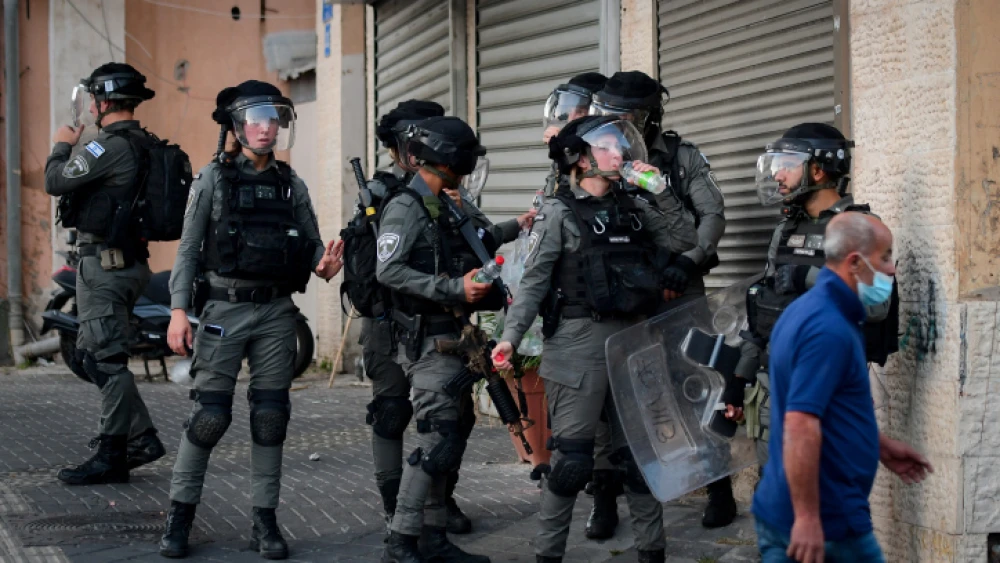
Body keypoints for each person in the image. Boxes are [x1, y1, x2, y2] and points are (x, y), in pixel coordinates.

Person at [492, 115, 698, 563]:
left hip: (636, 342)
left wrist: (661, 191)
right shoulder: (559, 212)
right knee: (571, 463)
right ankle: (548, 555)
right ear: (579, 159)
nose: (619, 153)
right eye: (607, 146)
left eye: (621, 145)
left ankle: (652, 552)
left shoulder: (636, 206)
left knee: (641, 460)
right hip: (578, 346)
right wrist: (510, 337)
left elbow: (686, 239)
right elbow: (533, 282)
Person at [158, 80, 343, 560]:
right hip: (224, 309)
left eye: (273, 117)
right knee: (209, 418)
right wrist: (179, 311)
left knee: (269, 418)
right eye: (255, 118)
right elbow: (188, 248)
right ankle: (179, 518)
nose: (266, 127)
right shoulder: (213, 179)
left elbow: (313, 244)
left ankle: (265, 521)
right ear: (237, 127)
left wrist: (325, 265)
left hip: (278, 313)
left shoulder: (291, 183)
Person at [587, 70, 733, 531]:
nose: (610, 128)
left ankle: (719, 488)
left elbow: (712, 213)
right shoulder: (595, 155)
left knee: (697, 383)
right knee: (612, 395)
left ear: (644, 118)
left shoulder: (682, 157)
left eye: (621, 119)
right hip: (622, 293)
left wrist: (690, 261)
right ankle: (605, 500)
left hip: (676, 287)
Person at [752, 212, 932, 563]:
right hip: (829, 521)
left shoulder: (808, 310)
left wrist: (875, 444)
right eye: (884, 257)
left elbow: (820, 408)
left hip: (795, 512)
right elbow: (801, 424)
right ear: (854, 263)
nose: (892, 269)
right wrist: (807, 518)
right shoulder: (828, 327)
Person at [377, 115, 515, 563]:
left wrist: (520, 224)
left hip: (457, 338)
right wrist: (454, 289)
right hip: (428, 341)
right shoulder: (406, 206)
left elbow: (476, 239)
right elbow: (389, 270)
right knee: (436, 440)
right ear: (450, 159)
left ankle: (434, 539)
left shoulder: (444, 203)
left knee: (452, 436)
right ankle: (400, 541)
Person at [729, 123, 900, 472]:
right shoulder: (786, 229)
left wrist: (809, 277)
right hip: (774, 388)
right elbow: (765, 306)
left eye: (788, 164)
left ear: (818, 170)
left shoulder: (863, 227)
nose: (778, 173)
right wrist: (739, 378)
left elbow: (877, 304)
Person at [357, 99, 481, 536]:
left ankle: (436, 506)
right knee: (397, 415)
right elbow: (383, 269)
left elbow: (471, 240)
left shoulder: (442, 193)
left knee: (452, 419)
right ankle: (401, 514)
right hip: (392, 322)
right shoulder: (395, 196)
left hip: (439, 326)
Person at [44, 63, 166, 486]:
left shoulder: (107, 147)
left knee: (103, 360)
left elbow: (56, 181)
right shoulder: (145, 144)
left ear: (103, 101)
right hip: (128, 264)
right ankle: (138, 437)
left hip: (106, 266)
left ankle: (116, 453)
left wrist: (62, 146)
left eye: (93, 99)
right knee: (97, 355)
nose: (90, 107)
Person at [540, 72, 608, 196]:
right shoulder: (572, 151)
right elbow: (552, 196)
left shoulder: (609, 156)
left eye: (580, 111)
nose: (571, 119)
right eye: (570, 111)